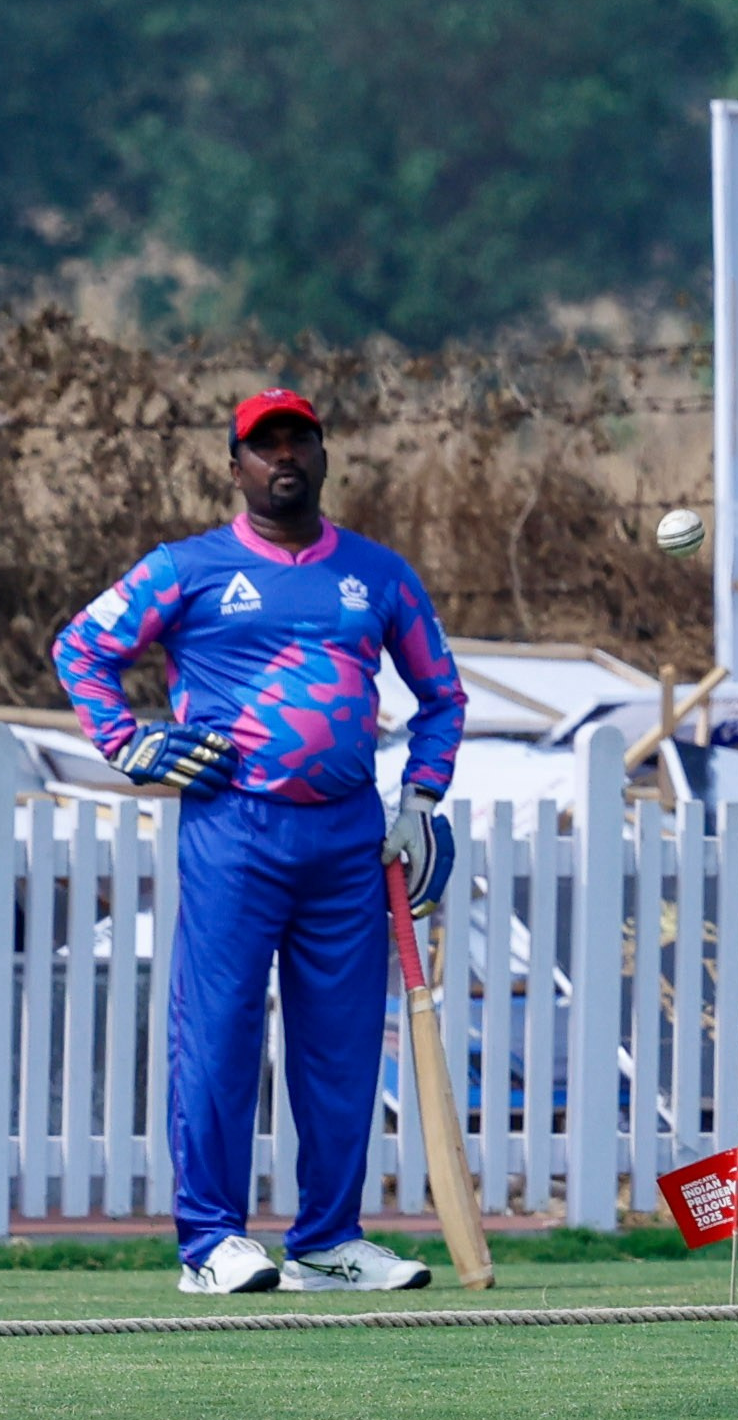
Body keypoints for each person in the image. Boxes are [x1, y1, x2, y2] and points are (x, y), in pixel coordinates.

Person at [53, 388, 468, 1293]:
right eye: (264, 443)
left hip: (350, 836)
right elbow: (81, 648)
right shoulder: (185, 569)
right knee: (218, 1035)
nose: (284, 455)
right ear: (234, 464)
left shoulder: (379, 574)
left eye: (299, 440)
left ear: (323, 455)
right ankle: (211, 1243)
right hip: (234, 828)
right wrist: (128, 743)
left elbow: (443, 695)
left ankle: (327, 1242)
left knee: (342, 1045)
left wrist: (420, 800)